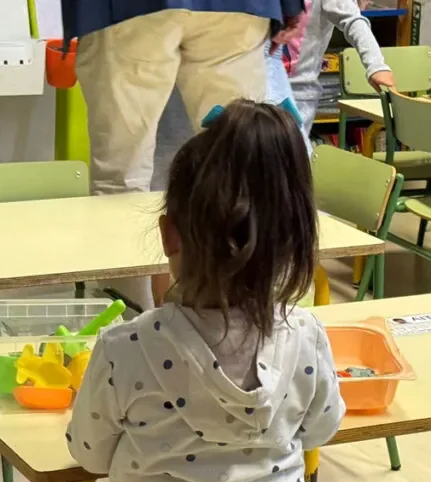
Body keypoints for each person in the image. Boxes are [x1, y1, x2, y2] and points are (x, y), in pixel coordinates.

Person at [66, 100, 347, 482]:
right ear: (290, 238)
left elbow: (86, 454)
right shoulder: (305, 335)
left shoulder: (126, 345)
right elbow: (323, 426)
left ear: (169, 234)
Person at [65, 0, 305, 310]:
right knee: (238, 164)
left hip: (127, 10)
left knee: (120, 179)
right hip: (238, 7)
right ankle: (240, 317)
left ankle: (126, 328)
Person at [290, 0, 396, 141]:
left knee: (292, 156)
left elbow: (354, 21)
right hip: (258, 89)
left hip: (299, 93)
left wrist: (376, 65)